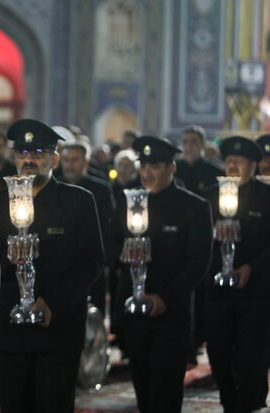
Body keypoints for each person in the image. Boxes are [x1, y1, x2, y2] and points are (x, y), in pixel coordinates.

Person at [0, 119, 104, 413]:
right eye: (23, 152)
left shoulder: (78, 201)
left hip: (58, 328)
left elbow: (91, 262)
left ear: (54, 158)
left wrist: (54, 303)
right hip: (7, 328)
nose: (29, 159)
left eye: (38, 153)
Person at [108, 136, 213, 413]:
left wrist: (165, 299)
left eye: (154, 166)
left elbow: (197, 263)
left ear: (171, 167)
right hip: (134, 313)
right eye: (144, 166)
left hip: (171, 315)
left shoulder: (194, 207)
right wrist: (125, 253)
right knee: (143, 391)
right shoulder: (130, 202)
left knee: (165, 393)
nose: (146, 173)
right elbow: (109, 246)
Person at [204, 136, 270, 413]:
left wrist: (251, 268)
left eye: (239, 162)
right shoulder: (209, 196)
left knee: (250, 357)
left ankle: (248, 404)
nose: (232, 166)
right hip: (218, 291)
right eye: (229, 161)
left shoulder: (266, 197)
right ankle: (229, 400)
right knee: (218, 353)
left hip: (255, 292)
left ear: (253, 165)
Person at [174, 124, 223, 366]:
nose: (189, 146)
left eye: (194, 142)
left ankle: (199, 340)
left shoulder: (214, 172)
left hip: (207, 243)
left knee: (202, 296)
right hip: (177, 242)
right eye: (186, 141)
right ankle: (185, 345)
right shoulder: (174, 170)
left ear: (203, 145)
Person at [56, 138, 114, 315]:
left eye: (75, 160)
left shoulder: (100, 189)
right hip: (58, 265)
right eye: (66, 160)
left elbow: (107, 227)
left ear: (86, 162)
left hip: (90, 263)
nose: (70, 165)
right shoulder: (54, 187)